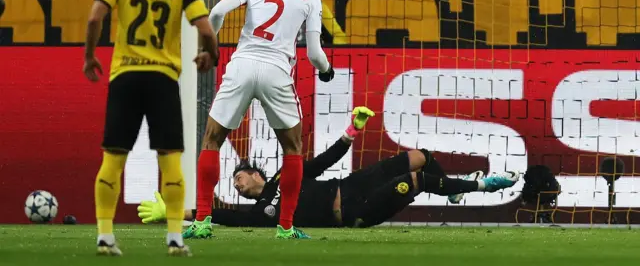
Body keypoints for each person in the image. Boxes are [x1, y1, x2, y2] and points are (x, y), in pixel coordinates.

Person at [83, 0, 219, 257]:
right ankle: (175, 238)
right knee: (170, 159)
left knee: (113, 157)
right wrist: (208, 55)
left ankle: (104, 235)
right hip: (162, 78)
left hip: (125, 76)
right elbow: (206, 30)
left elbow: (95, 16)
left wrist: (89, 56)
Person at [138, 106, 520, 228]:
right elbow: (219, 216)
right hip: (353, 210)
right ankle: (480, 186)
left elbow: (321, 163)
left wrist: (351, 131)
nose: (236, 186)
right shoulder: (261, 213)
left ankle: (454, 187)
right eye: (235, 184)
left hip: (352, 184)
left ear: (256, 173)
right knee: (417, 180)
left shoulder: (281, 178)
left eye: (238, 178)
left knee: (419, 157)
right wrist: (176, 213)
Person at [188, 0, 334, 240]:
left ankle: (202, 220)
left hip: (242, 64)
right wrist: (326, 70)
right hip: (277, 70)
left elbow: (215, 13)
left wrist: (210, 49)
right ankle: (285, 227)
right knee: (292, 148)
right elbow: (315, 54)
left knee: (212, 140)